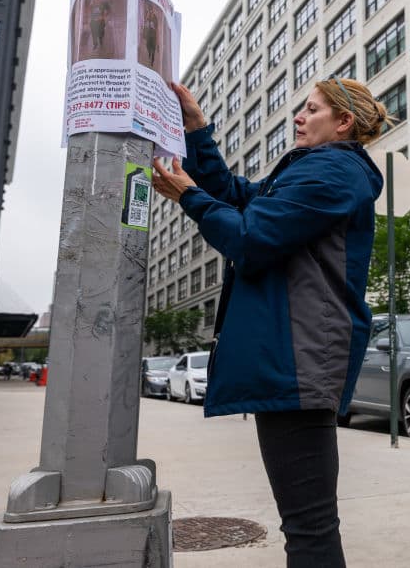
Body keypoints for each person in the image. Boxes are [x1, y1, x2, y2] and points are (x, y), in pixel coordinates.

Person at [151, 77, 386, 567]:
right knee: (308, 524)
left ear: (344, 122)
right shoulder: (315, 170)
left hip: (299, 361)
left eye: (312, 109)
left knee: (309, 528)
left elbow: (250, 238)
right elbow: (238, 196)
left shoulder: (333, 172)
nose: (299, 116)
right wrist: (197, 131)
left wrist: (189, 197)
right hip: (293, 359)